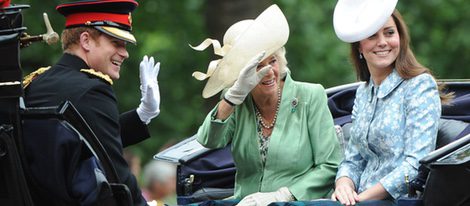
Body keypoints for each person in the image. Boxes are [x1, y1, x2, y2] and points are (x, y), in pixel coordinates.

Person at [191, 5, 342, 206]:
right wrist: (233, 98)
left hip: (297, 202)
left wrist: (285, 195)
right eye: (258, 67)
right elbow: (209, 140)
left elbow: (330, 165)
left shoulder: (310, 95)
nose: (268, 72)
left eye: (273, 61)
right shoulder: (237, 100)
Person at [23, 0, 160, 205]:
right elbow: (116, 174)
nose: (125, 53)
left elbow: (79, 143)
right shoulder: (92, 90)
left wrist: (142, 115)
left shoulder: (36, 82)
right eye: (116, 43)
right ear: (86, 41)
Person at [331, 0, 452, 205]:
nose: (383, 42)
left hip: (397, 200)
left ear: (400, 38)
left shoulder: (420, 86)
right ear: (359, 46)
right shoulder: (363, 92)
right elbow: (353, 159)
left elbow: (415, 165)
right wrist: (343, 185)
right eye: (372, 36)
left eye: (389, 33)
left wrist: (361, 199)